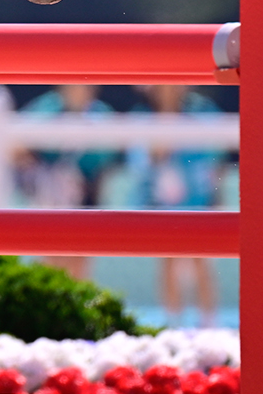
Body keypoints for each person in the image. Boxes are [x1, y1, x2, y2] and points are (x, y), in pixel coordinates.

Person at [126, 83, 228, 326]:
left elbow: (217, 152)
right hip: (163, 202)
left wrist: (216, 191)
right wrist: (156, 148)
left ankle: (209, 323)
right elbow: (139, 162)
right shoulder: (143, 117)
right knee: (168, 260)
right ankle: (173, 323)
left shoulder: (202, 110)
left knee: (201, 259)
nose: (170, 89)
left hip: (199, 199)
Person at [14, 84, 120, 281]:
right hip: (50, 196)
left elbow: (110, 154)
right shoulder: (46, 107)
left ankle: (76, 306)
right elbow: (15, 145)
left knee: (81, 256)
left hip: (87, 194)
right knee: (50, 253)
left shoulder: (101, 113)